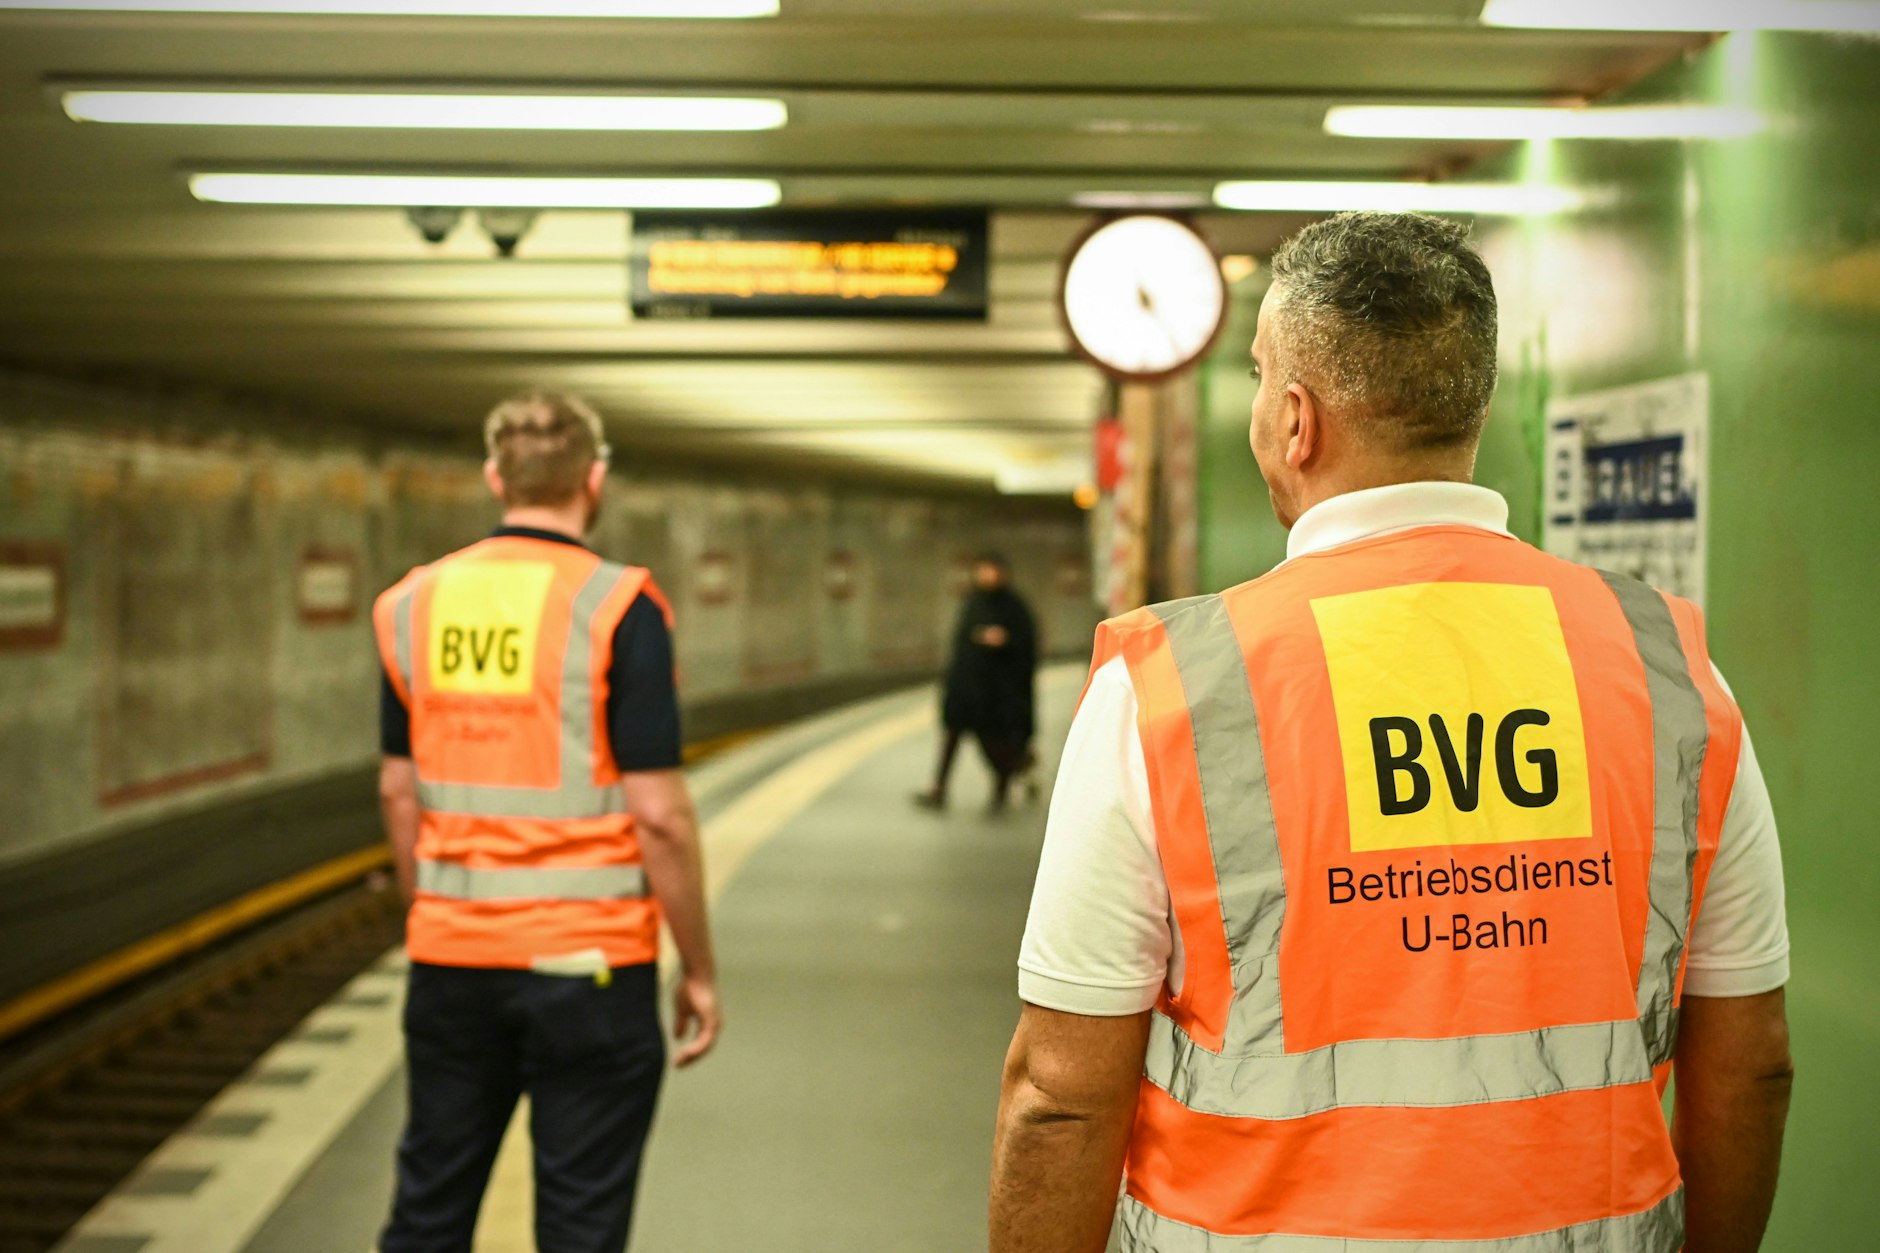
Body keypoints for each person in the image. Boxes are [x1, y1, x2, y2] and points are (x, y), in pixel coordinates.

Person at [990, 213, 1792, 1253]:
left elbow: (1058, 1092)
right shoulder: (1668, 668)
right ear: (1470, 405)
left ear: (1294, 420)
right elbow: (1751, 1058)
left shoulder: (1172, 687)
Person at [372, 392, 721, 1253]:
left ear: (495, 477)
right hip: (589, 965)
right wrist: (698, 967)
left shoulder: (410, 604)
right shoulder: (619, 606)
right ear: (592, 479)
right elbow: (660, 816)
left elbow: (396, 789)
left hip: (452, 960)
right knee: (579, 1225)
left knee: (429, 1210)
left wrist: (436, 911)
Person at [916, 553, 1039, 812]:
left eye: (992, 571)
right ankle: (939, 788)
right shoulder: (973, 603)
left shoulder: (1015, 607)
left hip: (995, 693)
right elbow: (960, 645)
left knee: (994, 745)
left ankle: (1004, 786)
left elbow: (1027, 647)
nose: (987, 576)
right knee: (951, 737)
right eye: (983, 571)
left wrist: (1005, 641)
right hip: (965, 688)